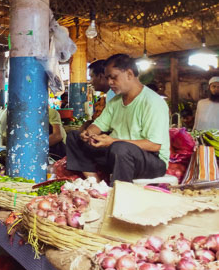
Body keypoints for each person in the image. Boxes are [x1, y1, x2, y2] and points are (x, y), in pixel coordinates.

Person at [66, 54, 170, 184]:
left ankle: (120, 192)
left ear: (129, 74)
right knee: (74, 137)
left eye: (113, 77)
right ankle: (95, 184)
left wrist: (112, 141)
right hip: (117, 153)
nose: (110, 82)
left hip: (151, 161)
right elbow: (99, 125)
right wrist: (89, 133)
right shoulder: (115, 101)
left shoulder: (152, 102)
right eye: (108, 78)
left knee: (119, 148)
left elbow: (154, 145)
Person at [0, 106, 66, 159]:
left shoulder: (50, 112)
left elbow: (57, 136)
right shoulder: (24, 117)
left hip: (58, 151)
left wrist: (34, 147)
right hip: (41, 150)